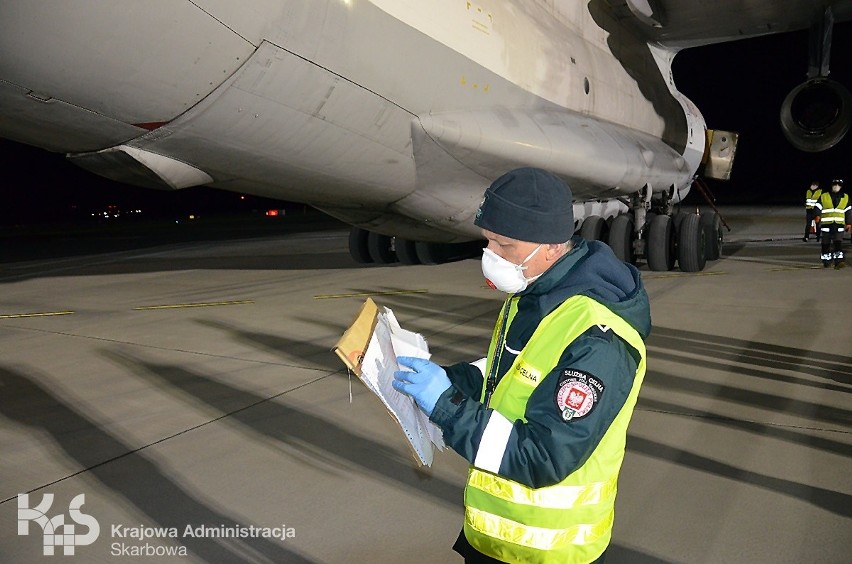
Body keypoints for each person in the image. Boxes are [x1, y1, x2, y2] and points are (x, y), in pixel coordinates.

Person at [392, 167, 651, 564]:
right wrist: (450, 380)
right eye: (488, 242)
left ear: (550, 245)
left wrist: (447, 405)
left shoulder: (598, 339)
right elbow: (510, 375)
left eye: (505, 245)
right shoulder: (536, 292)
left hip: (546, 550)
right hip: (496, 536)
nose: (490, 257)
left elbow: (543, 456)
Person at [814, 178, 851, 269]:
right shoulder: (824, 196)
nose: (836, 186)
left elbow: (848, 211)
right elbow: (818, 206)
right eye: (834, 184)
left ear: (841, 186)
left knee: (838, 242)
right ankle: (826, 261)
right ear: (831, 185)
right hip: (826, 224)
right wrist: (817, 215)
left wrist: (849, 223)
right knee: (825, 243)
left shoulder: (845, 197)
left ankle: (839, 261)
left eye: (838, 185)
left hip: (839, 224)